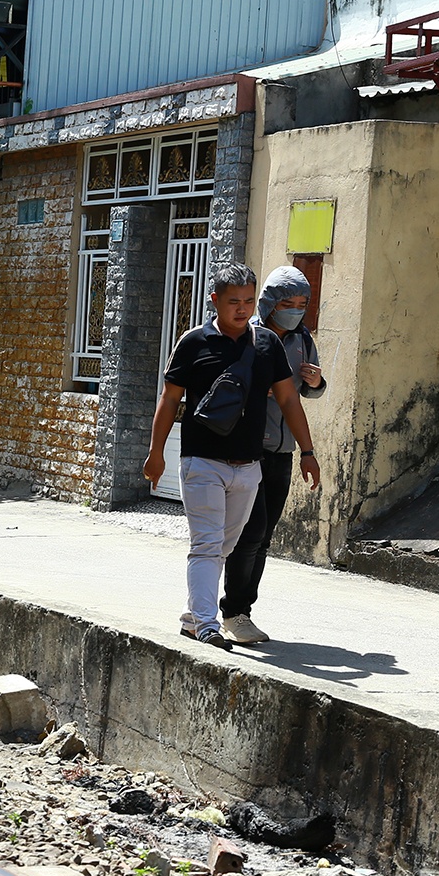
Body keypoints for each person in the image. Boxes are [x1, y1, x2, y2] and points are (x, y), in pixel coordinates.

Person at [144, 262, 321, 650]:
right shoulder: (194, 342)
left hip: (249, 466)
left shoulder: (267, 344)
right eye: (233, 302)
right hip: (203, 460)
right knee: (208, 544)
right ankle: (208, 625)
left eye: (248, 301)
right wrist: (156, 453)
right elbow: (170, 399)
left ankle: (193, 616)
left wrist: (307, 451)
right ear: (215, 300)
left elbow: (289, 399)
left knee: (226, 545)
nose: (242, 309)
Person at [220, 266, 326, 644]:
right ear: (269, 303)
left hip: (282, 450)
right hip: (246, 450)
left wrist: (315, 382)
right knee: (249, 532)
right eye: (287, 304)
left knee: (263, 537)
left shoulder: (302, 339)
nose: (295, 311)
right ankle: (232, 611)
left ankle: (242, 610)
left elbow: (305, 395)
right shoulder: (246, 335)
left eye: (301, 304)